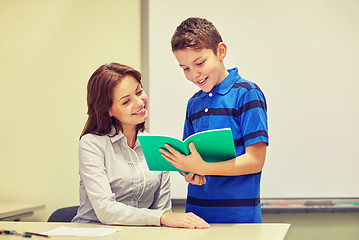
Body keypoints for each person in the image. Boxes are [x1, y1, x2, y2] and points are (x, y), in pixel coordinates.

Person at [72, 62, 209, 229]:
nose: (139, 102)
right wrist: (164, 217)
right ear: (108, 110)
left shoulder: (156, 145)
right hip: (93, 233)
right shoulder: (92, 144)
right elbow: (106, 210)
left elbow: (162, 210)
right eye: (126, 101)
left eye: (139, 92)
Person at [159, 17, 268, 223]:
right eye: (185, 68)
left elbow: (255, 161)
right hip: (196, 217)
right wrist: (189, 171)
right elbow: (190, 158)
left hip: (239, 221)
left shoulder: (247, 93)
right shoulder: (193, 104)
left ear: (221, 51)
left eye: (199, 63)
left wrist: (203, 167)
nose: (194, 74)